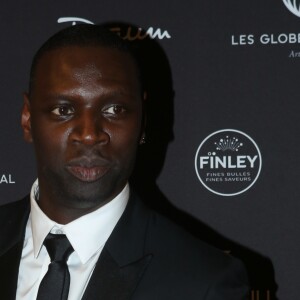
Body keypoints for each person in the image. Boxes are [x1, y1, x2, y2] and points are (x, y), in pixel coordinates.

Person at [0, 24, 249, 299]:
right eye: (64, 110)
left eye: (114, 109)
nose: (90, 134)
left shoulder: (204, 282)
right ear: (27, 118)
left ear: (142, 121)